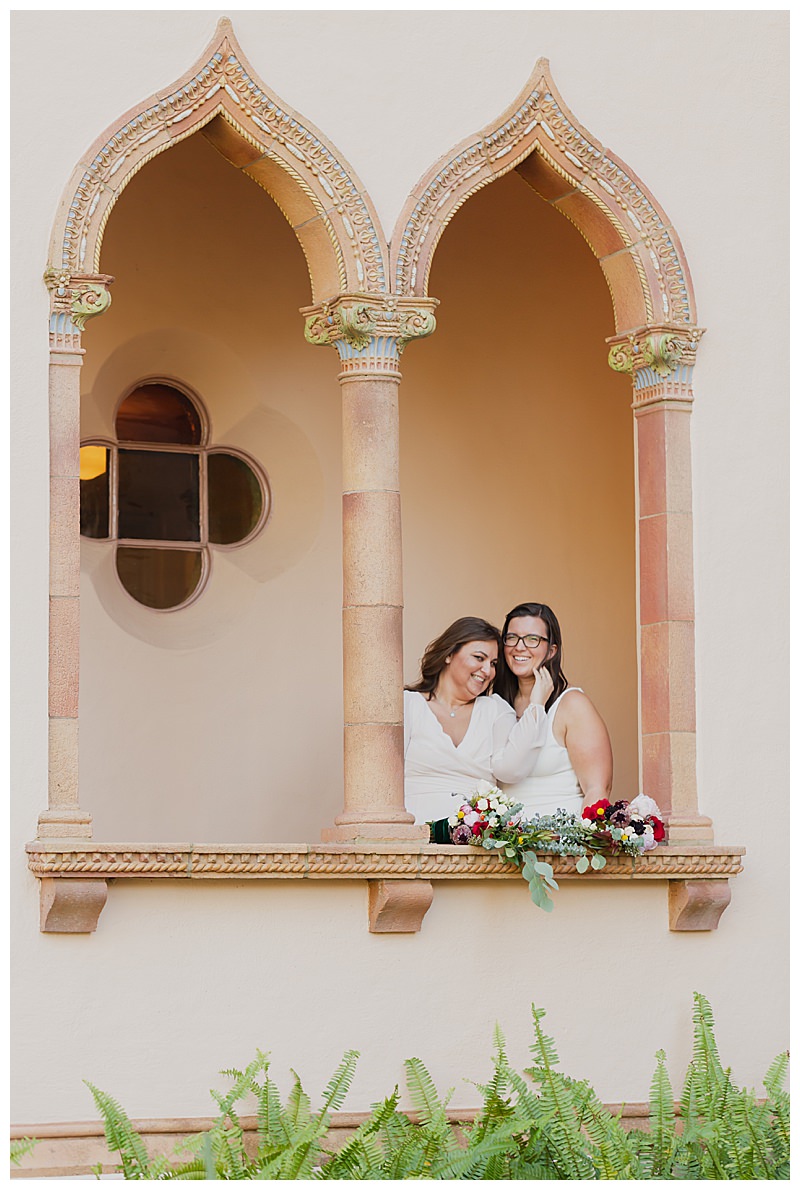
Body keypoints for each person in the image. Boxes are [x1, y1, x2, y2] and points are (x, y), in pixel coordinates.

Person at [403, 616, 553, 827]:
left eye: (493, 664)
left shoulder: (494, 709)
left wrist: (536, 705)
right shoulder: (408, 705)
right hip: (412, 836)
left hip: (473, 843)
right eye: (479, 658)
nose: (487, 671)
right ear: (449, 654)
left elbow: (511, 770)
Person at [493, 601, 613, 816]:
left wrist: (579, 843)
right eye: (512, 638)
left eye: (532, 639)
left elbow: (597, 789)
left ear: (551, 651)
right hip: (504, 844)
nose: (519, 647)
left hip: (561, 841)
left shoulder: (572, 705)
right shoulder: (497, 705)